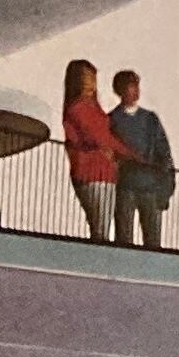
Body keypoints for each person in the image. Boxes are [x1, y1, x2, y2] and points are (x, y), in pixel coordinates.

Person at [108, 68, 175, 248]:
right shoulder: (112, 119)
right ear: (121, 90)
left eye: (136, 86)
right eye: (131, 86)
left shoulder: (150, 119)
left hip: (150, 186)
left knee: (153, 241)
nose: (136, 90)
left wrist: (166, 186)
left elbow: (164, 152)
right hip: (125, 186)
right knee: (124, 239)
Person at [58, 57, 121, 240]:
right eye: (86, 78)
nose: (90, 84)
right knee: (100, 229)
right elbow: (95, 135)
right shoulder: (79, 108)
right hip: (92, 172)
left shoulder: (93, 108)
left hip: (103, 172)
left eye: (92, 79)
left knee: (101, 227)